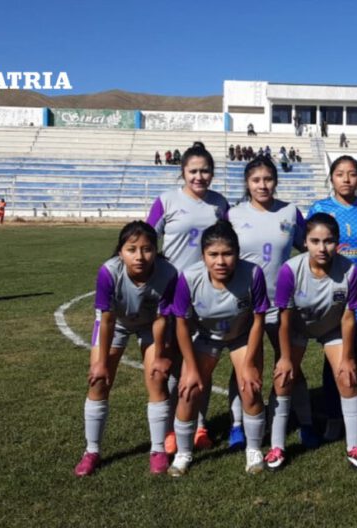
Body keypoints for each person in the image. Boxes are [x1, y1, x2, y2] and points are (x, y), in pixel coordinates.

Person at [73, 222, 179, 477]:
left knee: (157, 378)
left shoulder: (168, 273)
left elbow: (161, 319)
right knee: (98, 381)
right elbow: (107, 319)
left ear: (156, 250)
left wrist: (161, 356)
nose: (140, 256)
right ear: (120, 251)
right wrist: (100, 362)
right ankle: (92, 450)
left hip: (150, 325)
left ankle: (157, 450)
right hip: (116, 324)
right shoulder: (108, 272)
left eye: (147, 249)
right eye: (132, 249)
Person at [168, 221, 270, 476]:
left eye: (227, 254)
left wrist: (248, 365)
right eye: (213, 255)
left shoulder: (254, 273)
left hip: (241, 336)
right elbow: (180, 323)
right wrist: (190, 368)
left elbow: (259, 320)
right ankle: (183, 453)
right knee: (189, 390)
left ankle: (254, 450)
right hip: (206, 337)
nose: (220, 261)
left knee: (250, 387)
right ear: (203, 256)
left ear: (237, 253)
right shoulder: (189, 277)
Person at [145, 143, 229, 452]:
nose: (199, 176)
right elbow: (146, 237)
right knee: (173, 361)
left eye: (205, 170)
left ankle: (200, 426)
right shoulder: (166, 201)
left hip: (208, 294)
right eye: (193, 171)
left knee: (202, 365)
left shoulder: (220, 204)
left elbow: (229, 243)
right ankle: (169, 429)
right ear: (182, 172)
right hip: (172, 293)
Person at [269, 213, 357, 470]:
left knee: (347, 378)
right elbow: (285, 318)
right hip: (298, 329)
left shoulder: (350, 271)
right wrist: (286, 358)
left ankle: (354, 446)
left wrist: (347, 359)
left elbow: (348, 318)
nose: (322, 248)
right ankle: (277, 446)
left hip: (331, 329)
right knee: (283, 378)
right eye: (315, 241)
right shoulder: (290, 270)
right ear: (305, 243)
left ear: (339, 243)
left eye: (329, 241)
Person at [227, 157, 312, 451]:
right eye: (256, 180)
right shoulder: (234, 214)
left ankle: (305, 421)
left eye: (268, 179)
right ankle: (238, 425)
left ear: (276, 181)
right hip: (244, 304)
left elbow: (310, 246)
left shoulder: (290, 212)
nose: (263, 185)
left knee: (290, 363)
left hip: (281, 303)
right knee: (245, 365)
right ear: (247, 184)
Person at [309, 156, 357, 441]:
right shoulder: (320, 209)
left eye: (352, 174)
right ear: (332, 178)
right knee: (335, 358)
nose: (346, 179)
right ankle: (334, 416)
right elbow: (313, 250)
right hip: (334, 291)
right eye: (340, 174)